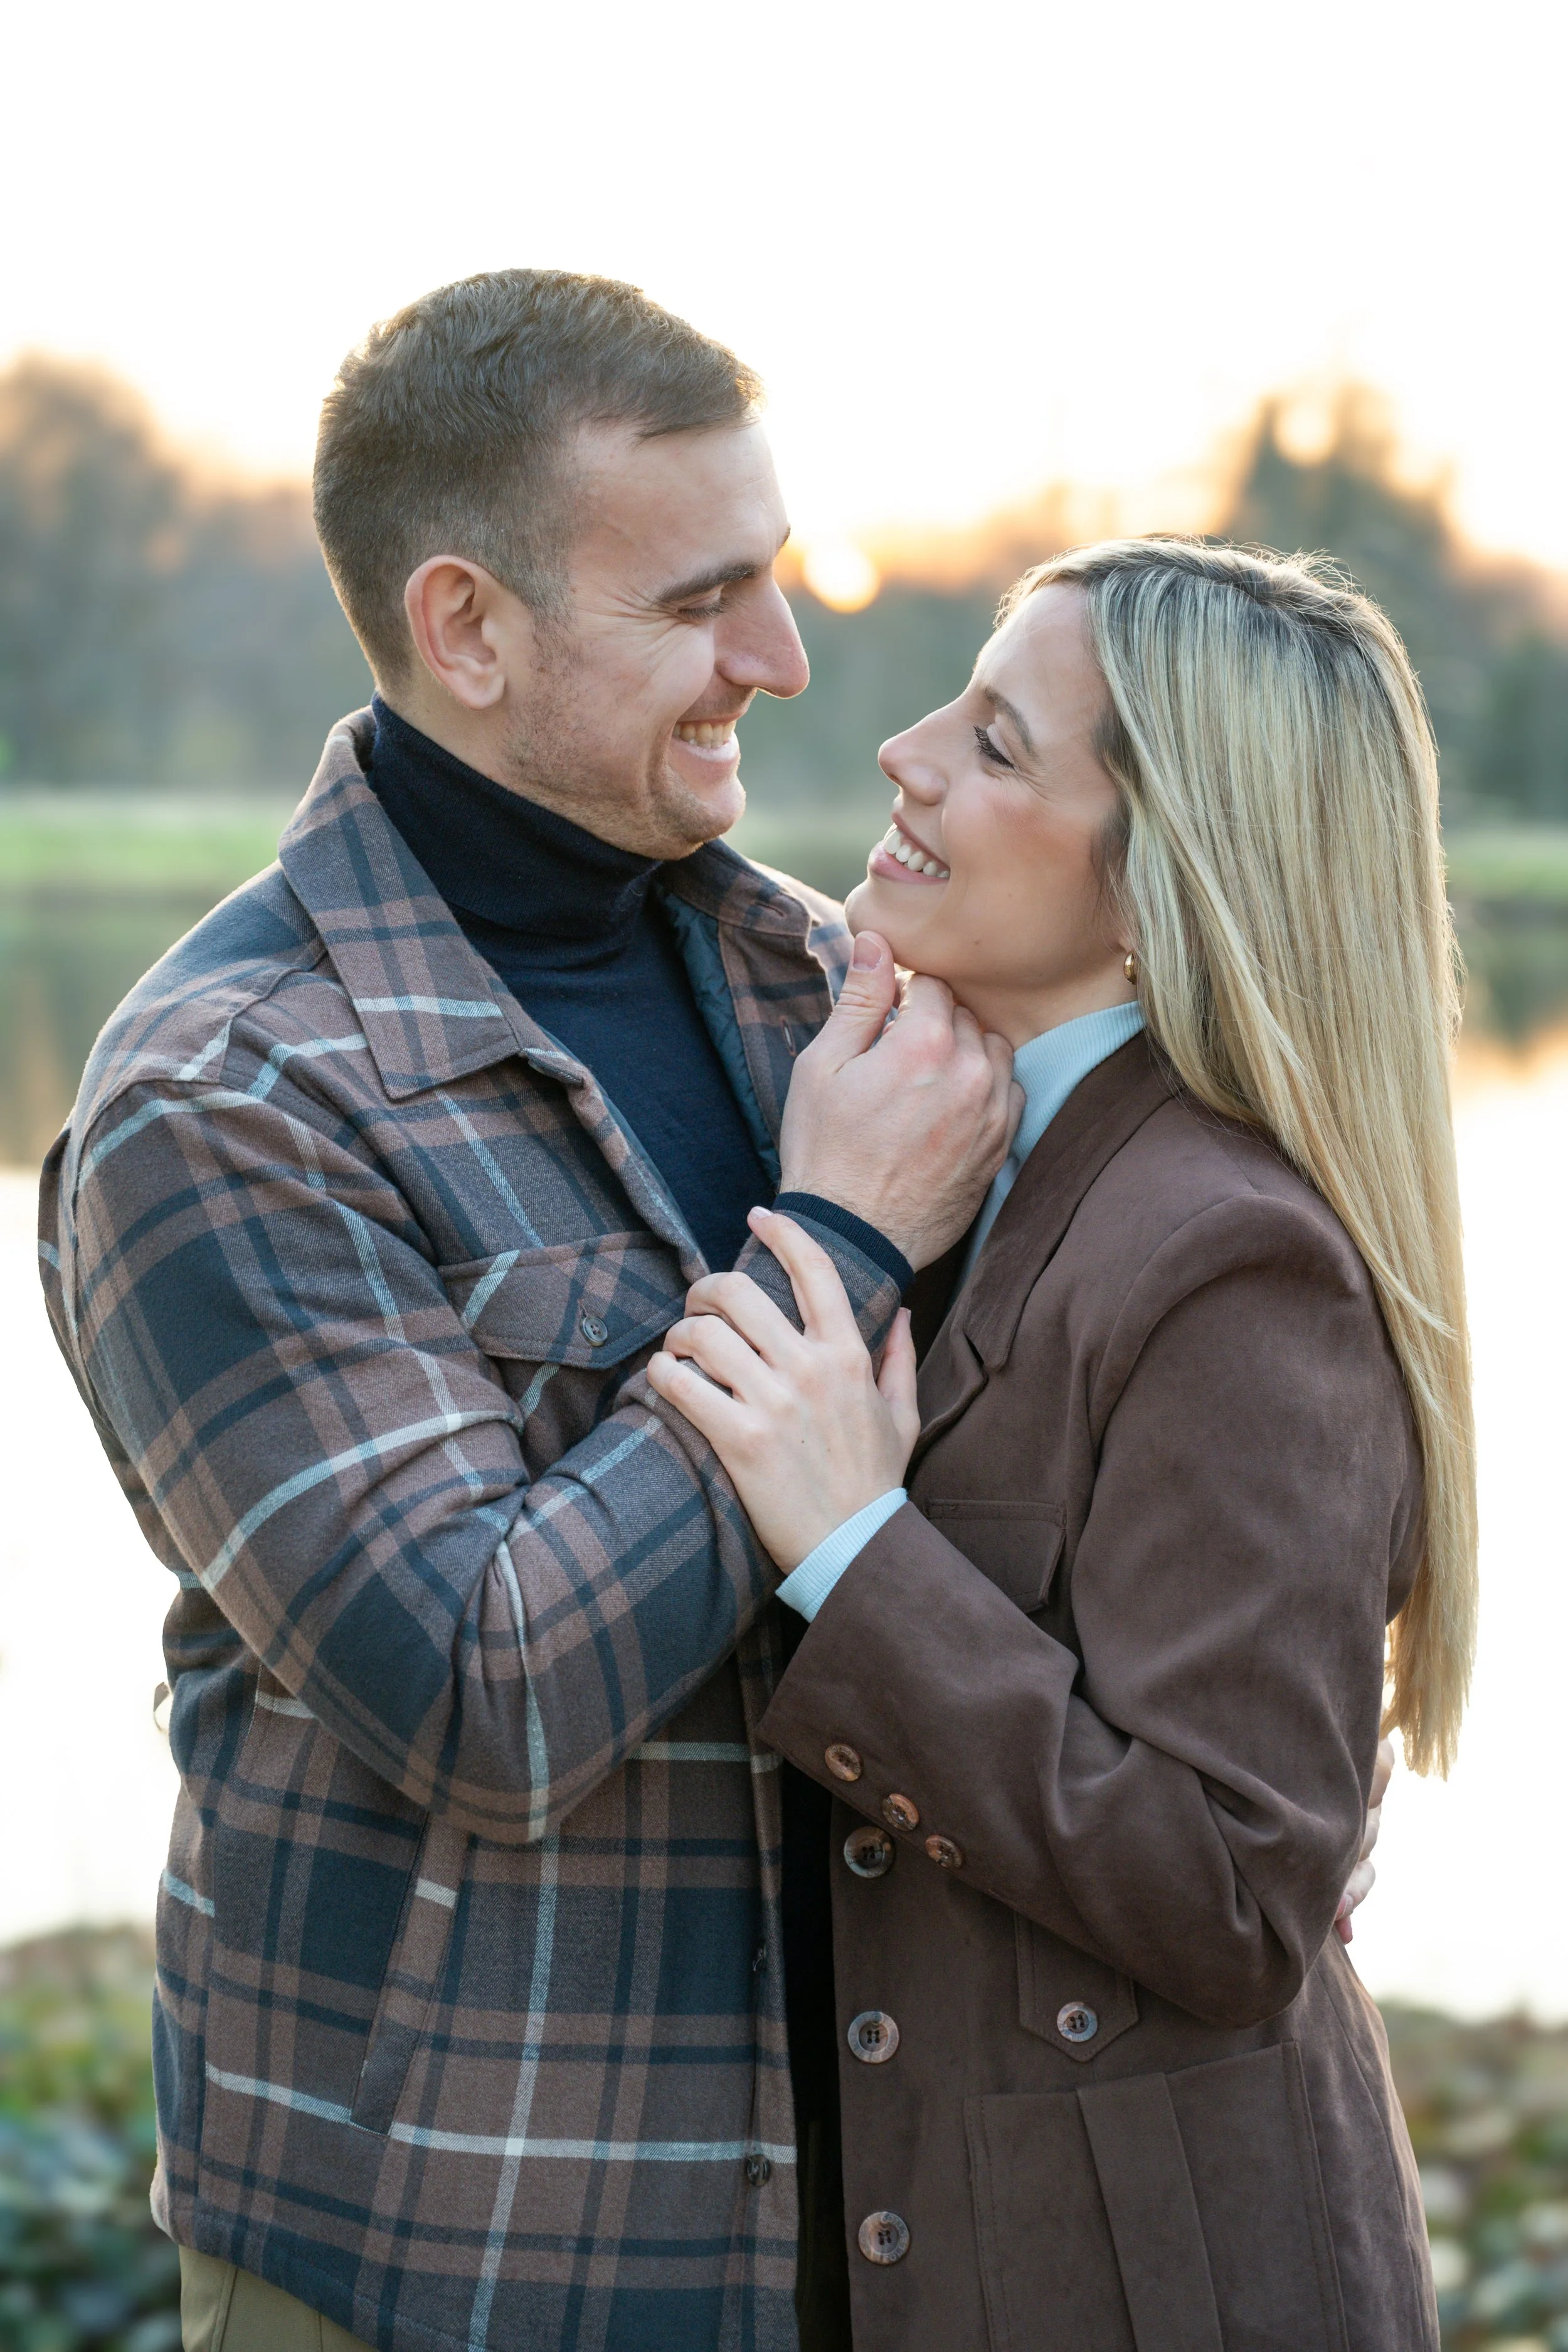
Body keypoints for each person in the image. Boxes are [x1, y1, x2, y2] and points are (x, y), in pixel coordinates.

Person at [37, 272, 1387, 2352]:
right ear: (466, 627)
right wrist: (833, 1243)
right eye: (697, 604)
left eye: (774, 577)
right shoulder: (228, 1100)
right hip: (463, 2266)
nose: (783, 661)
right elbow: (485, 1695)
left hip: (889, 2246)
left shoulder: (825, 981)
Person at [650, 538, 1476, 2350]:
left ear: (1155, 875)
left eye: (1000, 745)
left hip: (1152, 2282)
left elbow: (1236, 1883)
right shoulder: (944, 1143)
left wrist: (852, 1548)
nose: (907, 754)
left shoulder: (1227, 1250)